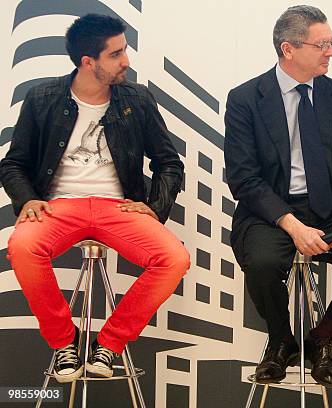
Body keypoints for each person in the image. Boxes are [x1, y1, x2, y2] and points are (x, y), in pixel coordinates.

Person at [0, 14, 189, 383]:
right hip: (59, 206)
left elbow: (168, 162)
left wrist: (154, 207)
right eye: (116, 54)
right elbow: (13, 164)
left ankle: (110, 343)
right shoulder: (43, 98)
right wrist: (27, 200)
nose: (126, 61)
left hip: (117, 206)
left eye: (125, 50)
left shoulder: (136, 98)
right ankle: (64, 342)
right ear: (89, 61)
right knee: (22, 247)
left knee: (173, 259)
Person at [224, 5, 332, 388]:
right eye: (323, 44)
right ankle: (281, 340)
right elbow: (244, 179)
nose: (331, 52)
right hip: (270, 212)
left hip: (329, 208)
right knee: (263, 263)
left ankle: (321, 338)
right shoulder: (246, 98)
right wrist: (291, 225)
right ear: (289, 49)